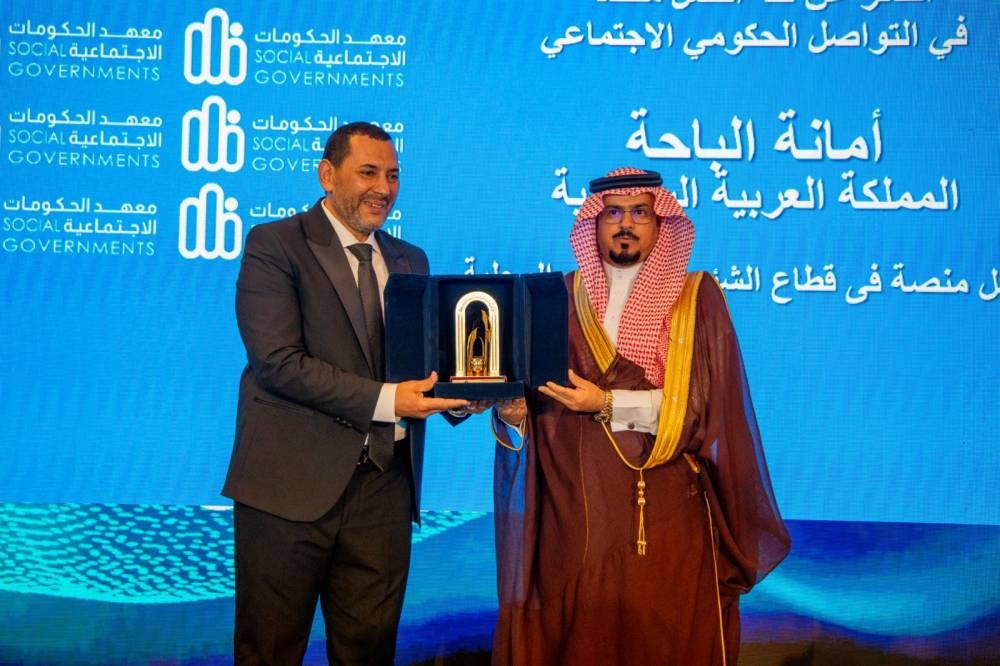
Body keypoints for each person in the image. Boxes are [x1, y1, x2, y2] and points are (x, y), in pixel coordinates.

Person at [488, 167, 791, 665]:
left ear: (660, 222)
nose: (625, 224)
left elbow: (704, 408)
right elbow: (534, 408)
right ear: (594, 222)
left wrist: (607, 404)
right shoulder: (557, 299)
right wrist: (513, 414)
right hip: (574, 522)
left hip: (666, 515)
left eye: (639, 213)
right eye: (612, 212)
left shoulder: (696, 298)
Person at [222, 121, 469, 665]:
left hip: (383, 491)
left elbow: (424, 365)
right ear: (327, 175)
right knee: (268, 652)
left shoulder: (411, 260)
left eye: (393, 175)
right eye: (368, 173)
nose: (384, 188)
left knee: (369, 654)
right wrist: (390, 401)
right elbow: (278, 364)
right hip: (288, 490)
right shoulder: (275, 244)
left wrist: (468, 391)